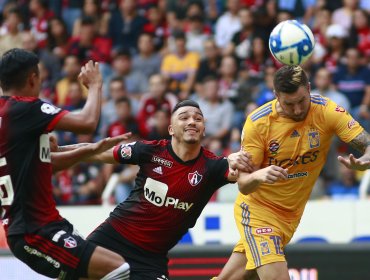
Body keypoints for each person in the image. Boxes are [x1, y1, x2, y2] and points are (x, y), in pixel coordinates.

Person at [215, 65, 370, 280]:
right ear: (276, 96)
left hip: (290, 215)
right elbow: (243, 183)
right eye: (289, 104)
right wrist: (258, 175)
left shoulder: (327, 111)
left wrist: (365, 161)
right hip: (258, 212)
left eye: (301, 101)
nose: (297, 110)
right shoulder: (258, 123)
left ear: (308, 88)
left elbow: (367, 144)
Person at [77, 99, 253, 280]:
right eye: (184, 117)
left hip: (150, 260)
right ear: (171, 129)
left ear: (203, 129)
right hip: (111, 238)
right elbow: (95, 152)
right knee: (71, 272)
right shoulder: (150, 151)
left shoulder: (213, 167)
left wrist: (240, 161)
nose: (192, 121)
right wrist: (57, 150)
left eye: (198, 119)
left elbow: (243, 175)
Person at [0, 48, 131, 280]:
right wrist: (95, 86)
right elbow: (87, 121)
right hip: (35, 231)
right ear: (33, 78)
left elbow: (45, 165)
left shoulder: (8, 116)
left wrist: (88, 150)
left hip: (36, 227)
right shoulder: (25, 109)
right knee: (118, 269)